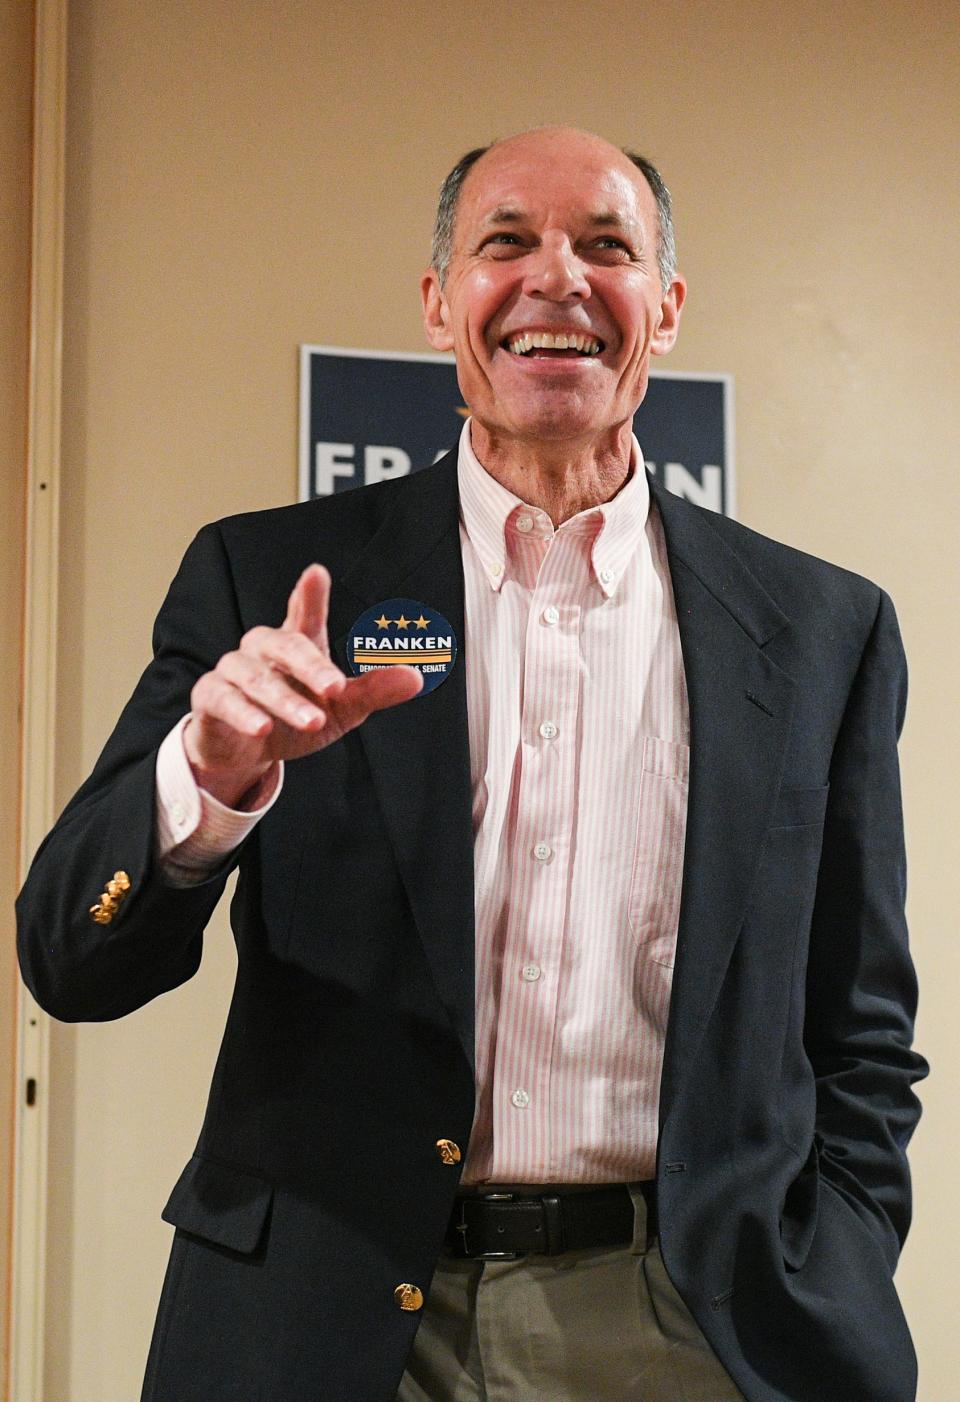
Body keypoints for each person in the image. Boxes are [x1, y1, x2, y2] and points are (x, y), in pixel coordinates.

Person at [17, 126, 927, 1401]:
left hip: (701, 1326)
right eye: (507, 241)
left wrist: (835, 1251)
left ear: (663, 309)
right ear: (442, 301)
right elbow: (70, 961)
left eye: (606, 246)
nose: (557, 277)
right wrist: (205, 781)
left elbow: (862, 1027)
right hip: (336, 1319)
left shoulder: (826, 628)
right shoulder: (266, 579)